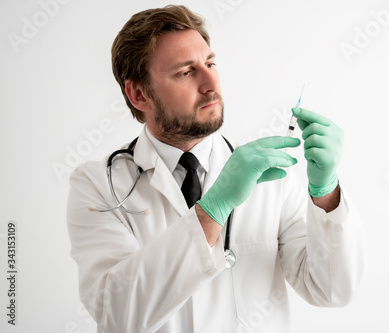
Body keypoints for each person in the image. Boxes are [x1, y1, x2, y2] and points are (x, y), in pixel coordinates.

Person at [66, 5, 367, 333]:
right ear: (139, 94)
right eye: (185, 71)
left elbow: (331, 290)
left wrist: (326, 193)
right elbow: (117, 314)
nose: (211, 84)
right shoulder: (99, 185)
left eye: (210, 64)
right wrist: (212, 209)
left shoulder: (273, 180)